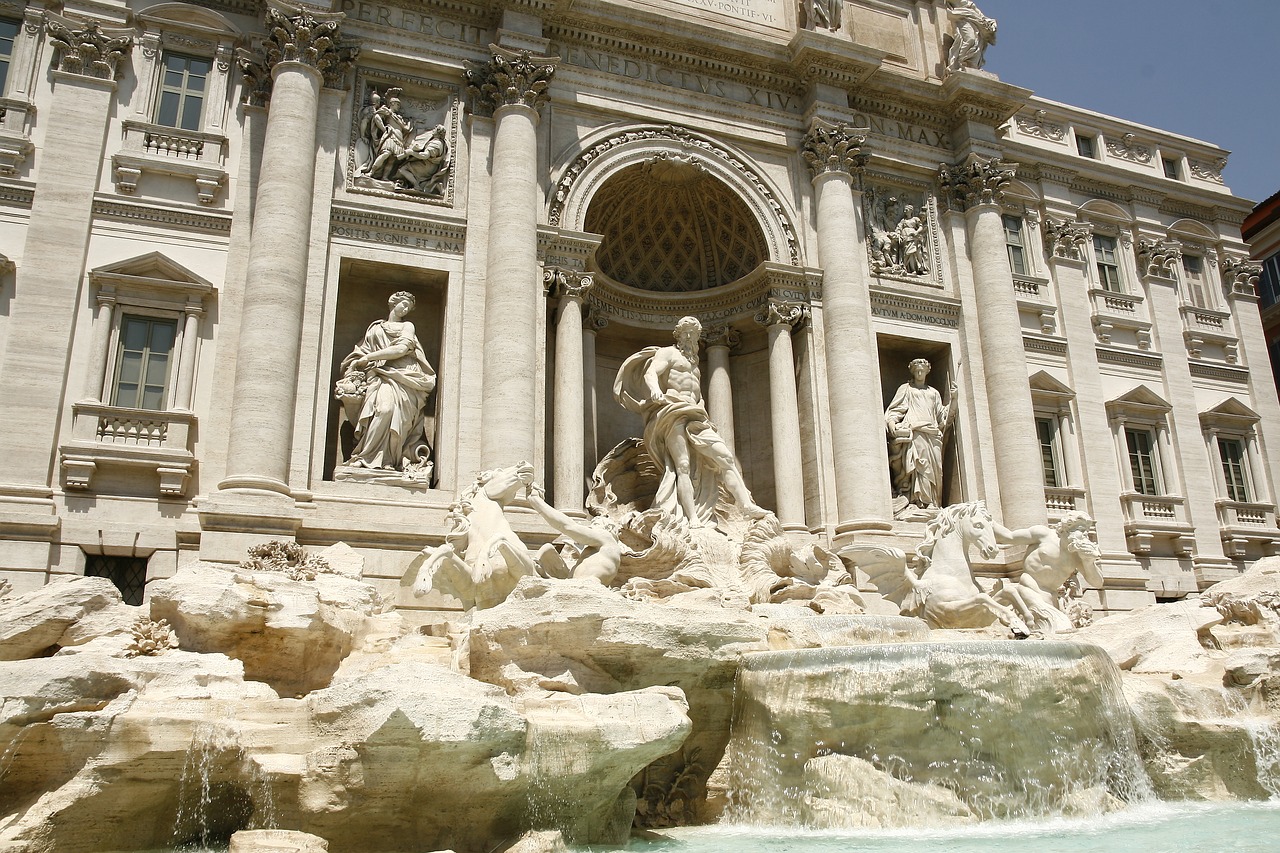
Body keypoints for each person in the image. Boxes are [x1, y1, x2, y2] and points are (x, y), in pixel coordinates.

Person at [614, 316, 769, 527]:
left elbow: (696, 393)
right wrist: (656, 390)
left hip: (696, 414)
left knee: (725, 458)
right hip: (672, 411)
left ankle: (746, 506)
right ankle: (692, 518)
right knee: (683, 466)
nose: (690, 337)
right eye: (686, 332)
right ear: (678, 335)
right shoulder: (668, 353)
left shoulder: (694, 364)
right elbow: (651, 372)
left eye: (694, 334)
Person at [337, 291, 437, 472]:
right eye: (403, 304)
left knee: (396, 416)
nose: (406, 308)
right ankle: (366, 456)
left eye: (409, 306)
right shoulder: (375, 328)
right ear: (393, 303)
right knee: (383, 410)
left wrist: (369, 357)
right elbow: (361, 351)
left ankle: (390, 461)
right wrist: (358, 362)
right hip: (379, 376)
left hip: (405, 378)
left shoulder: (408, 326)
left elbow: (400, 349)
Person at [992, 511, 1104, 632]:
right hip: (1030, 587)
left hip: (1051, 596)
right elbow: (1007, 537)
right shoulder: (1044, 535)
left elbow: (1097, 583)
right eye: (1082, 530)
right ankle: (1007, 595)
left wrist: (1088, 562)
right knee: (1056, 626)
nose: (1086, 534)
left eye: (1087, 530)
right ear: (1067, 528)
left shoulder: (1077, 555)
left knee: (1058, 630)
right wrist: (987, 520)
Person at [884, 358, 956, 509]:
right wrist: (892, 424)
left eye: (922, 370)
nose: (919, 372)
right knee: (920, 466)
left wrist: (954, 399)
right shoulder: (906, 389)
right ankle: (919, 501)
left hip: (933, 434)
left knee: (934, 469)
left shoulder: (934, 393)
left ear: (927, 371)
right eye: (917, 370)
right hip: (916, 431)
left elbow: (943, 416)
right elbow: (895, 410)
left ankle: (933, 502)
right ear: (912, 371)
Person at [945, 0, 997, 73]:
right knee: (970, 39)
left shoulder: (969, 2)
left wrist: (988, 21)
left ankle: (971, 64)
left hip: (974, 19)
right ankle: (961, 62)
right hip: (962, 17)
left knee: (977, 42)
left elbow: (979, 13)